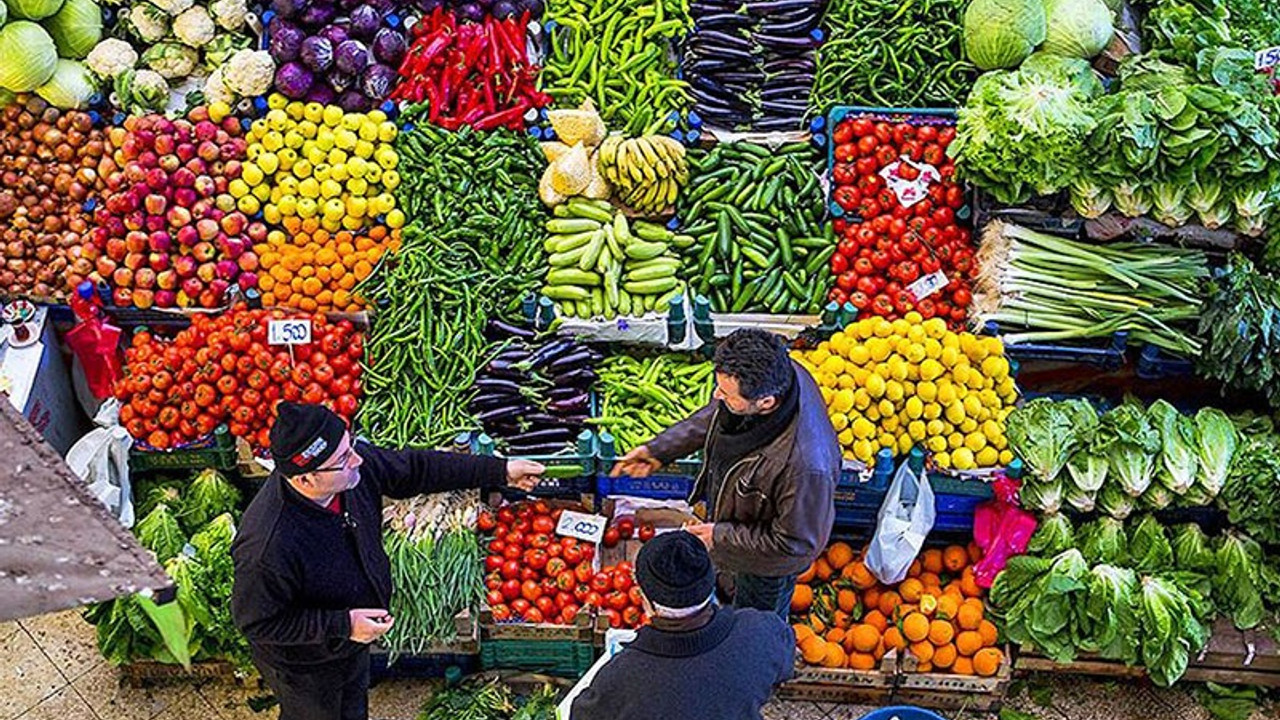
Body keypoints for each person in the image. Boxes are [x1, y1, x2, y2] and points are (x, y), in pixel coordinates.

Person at [231, 402, 544, 720]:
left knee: (353, 705)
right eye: (342, 459)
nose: (358, 459)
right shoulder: (267, 546)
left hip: (350, 640)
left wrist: (500, 470)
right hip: (306, 664)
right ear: (306, 480)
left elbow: (415, 468)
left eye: (350, 445)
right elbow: (257, 622)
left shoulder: (349, 473)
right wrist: (344, 625)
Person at [612, 328, 840, 616]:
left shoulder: (806, 467)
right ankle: (730, 585)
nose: (717, 395)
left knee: (755, 620)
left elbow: (795, 544)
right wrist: (660, 449)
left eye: (727, 393)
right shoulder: (777, 373)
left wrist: (719, 536)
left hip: (767, 566)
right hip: (741, 523)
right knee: (733, 585)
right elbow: (719, 414)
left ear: (766, 403)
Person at [569, 531, 794, 720]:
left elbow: (580, 714)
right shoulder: (763, 632)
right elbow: (783, 669)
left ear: (644, 599)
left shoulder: (620, 678)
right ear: (709, 585)